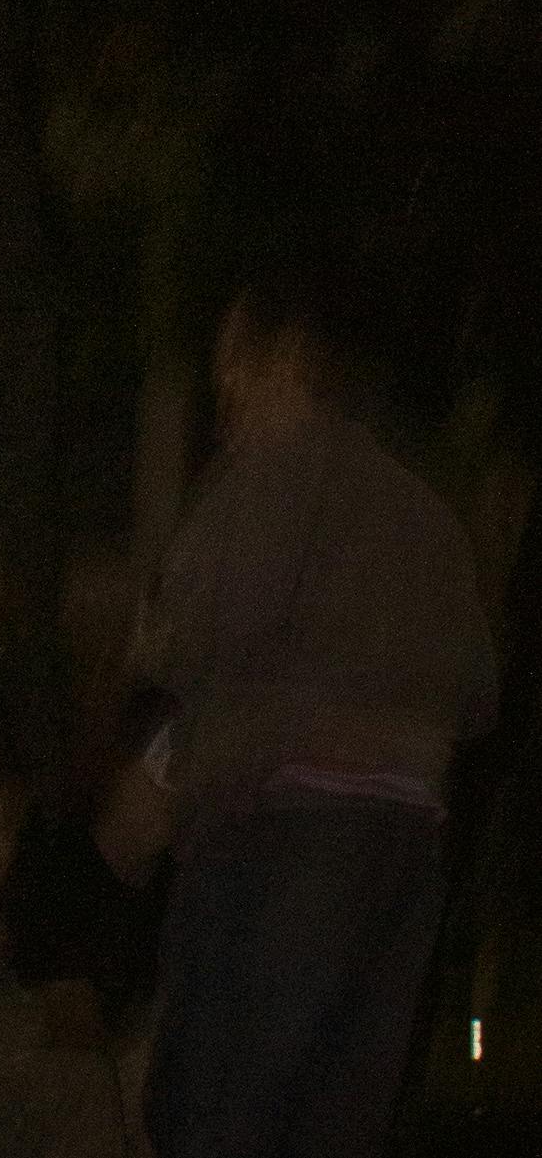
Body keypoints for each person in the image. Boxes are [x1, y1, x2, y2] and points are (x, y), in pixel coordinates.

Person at [136, 272, 497, 1158]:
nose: (224, 385)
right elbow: (480, 695)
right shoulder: (425, 513)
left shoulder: (268, 475)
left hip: (282, 839)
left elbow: (184, 638)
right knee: (339, 1114)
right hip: (404, 851)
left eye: (232, 360)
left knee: (219, 1104)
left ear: (285, 363)